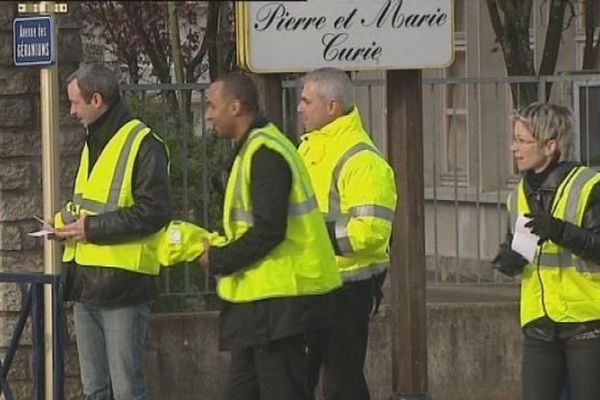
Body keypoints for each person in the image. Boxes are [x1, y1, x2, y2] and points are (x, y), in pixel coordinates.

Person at [198, 72, 342, 400]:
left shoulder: (265, 152)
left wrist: (219, 258)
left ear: (235, 108)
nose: (207, 114)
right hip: (264, 307)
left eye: (211, 106)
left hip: (285, 305)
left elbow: (268, 230)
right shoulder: (255, 147)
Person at [52, 63, 171, 400]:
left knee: (125, 389)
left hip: (124, 286)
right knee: (96, 390)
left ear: (97, 99)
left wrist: (90, 228)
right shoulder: (94, 142)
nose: (72, 111)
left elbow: (154, 212)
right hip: (86, 283)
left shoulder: (144, 144)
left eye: (75, 103)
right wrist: (59, 223)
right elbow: (85, 202)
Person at [296, 67, 397, 400]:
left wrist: (315, 237)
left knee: (343, 384)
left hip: (348, 288)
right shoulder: (308, 149)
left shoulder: (362, 160)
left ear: (332, 107)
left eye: (306, 101)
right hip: (312, 282)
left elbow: (372, 231)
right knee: (296, 380)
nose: (299, 108)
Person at [492, 102, 600, 400]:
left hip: (587, 322)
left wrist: (559, 230)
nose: (514, 148)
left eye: (522, 140)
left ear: (550, 145)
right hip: (539, 323)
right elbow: (516, 244)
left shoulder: (589, 186)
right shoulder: (518, 196)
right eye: (514, 139)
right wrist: (508, 259)